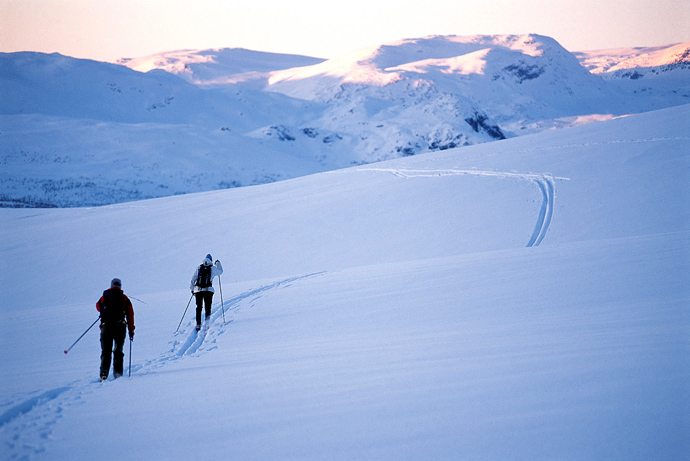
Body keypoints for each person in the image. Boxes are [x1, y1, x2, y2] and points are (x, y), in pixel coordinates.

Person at [96, 278, 135, 381]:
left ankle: (103, 374)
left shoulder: (104, 297)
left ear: (111, 285)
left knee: (106, 351)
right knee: (118, 351)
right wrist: (131, 330)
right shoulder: (124, 298)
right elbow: (130, 314)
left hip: (106, 327)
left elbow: (98, 306)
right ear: (120, 286)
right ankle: (118, 374)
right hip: (119, 327)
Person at [190, 254, 223, 331]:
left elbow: (192, 280)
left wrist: (192, 290)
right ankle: (207, 324)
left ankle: (198, 324)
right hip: (208, 290)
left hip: (198, 290)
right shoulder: (212, 268)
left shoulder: (199, 268)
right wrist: (218, 263)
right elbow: (220, 272)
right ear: (211, 260)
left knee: (199, 307)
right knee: (207, 307)